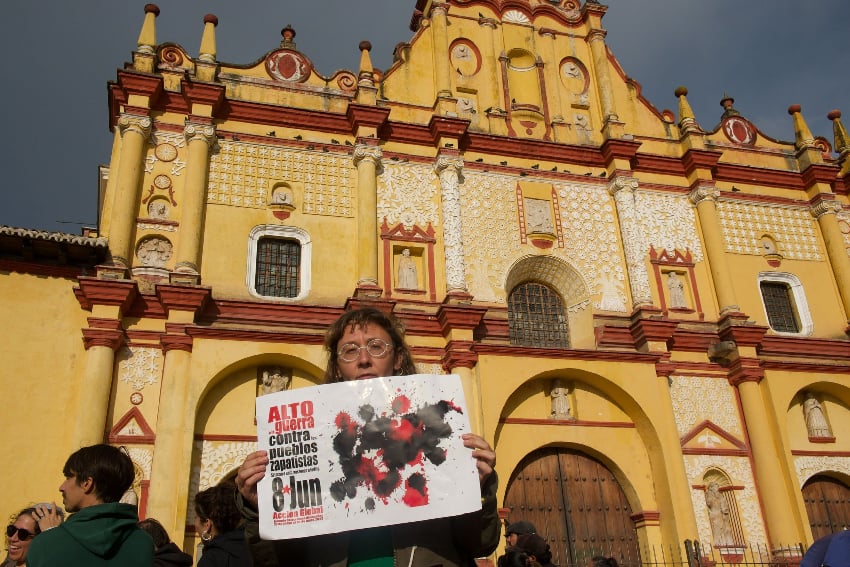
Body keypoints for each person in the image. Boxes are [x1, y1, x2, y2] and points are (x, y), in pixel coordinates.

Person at [235, 307, 501, 567]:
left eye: (376, 347)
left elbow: (480, 543)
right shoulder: (313, 438)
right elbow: (277, 560)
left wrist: (479, 489)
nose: (363, 359)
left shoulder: (437, 433)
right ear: (337, 367)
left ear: (397, 359)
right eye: (350, 350)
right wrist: (261, 510)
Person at [26, 444, 153, 567]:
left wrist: (50, 538)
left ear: (87, 483)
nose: (61, 487)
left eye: (68, 477)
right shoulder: (144, 544)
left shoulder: (43, 545)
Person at [194, 483, 252, 567]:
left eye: (196, 517)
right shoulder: (258, 548)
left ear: (207, 524)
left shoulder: (213, 558)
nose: (195, 524)